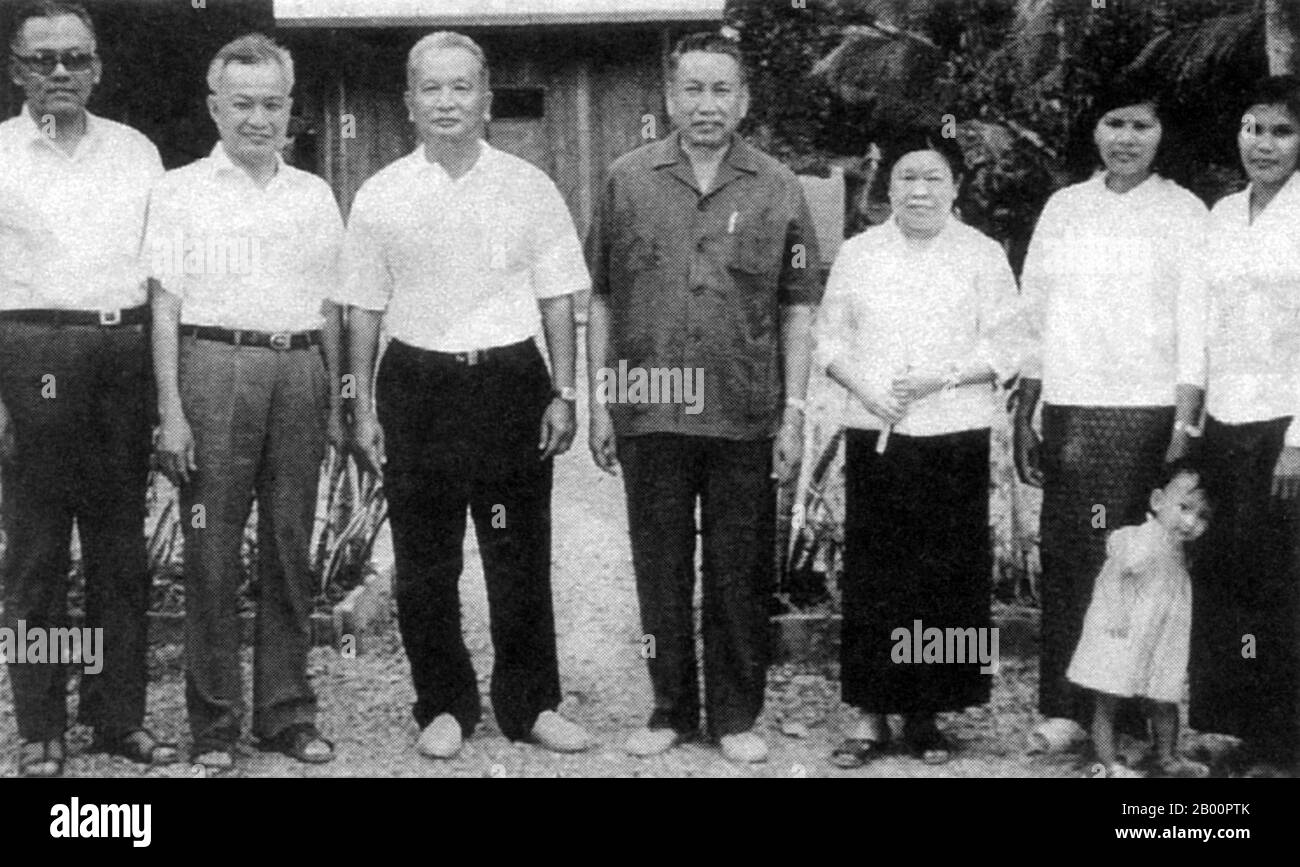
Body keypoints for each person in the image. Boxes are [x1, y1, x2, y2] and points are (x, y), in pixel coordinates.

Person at [341, 31, 591, 760]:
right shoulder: (382, 192)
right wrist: (361, 405)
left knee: (519, 551)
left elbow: (556, 297)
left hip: (512, 382)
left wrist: (564, 390)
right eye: (431, 88)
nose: (446, 101)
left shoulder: (528, 184)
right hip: (418, 385)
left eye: (461, 87)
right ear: (409, 103)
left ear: (486, 99)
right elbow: (363, 308)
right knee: (426, 559)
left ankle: (531, 702)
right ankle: (443, 703)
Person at [587, 32, 822, 764]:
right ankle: (668, 709)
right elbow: (599, 295)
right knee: (658, 567)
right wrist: (600, 400)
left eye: (722, 90)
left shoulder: (779, 186)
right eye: (693, 89)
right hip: (648, 402)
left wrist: (795, 412)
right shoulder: (627, 178)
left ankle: (735, 713)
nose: (707, 104)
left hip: (741, 409)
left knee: (738, 569)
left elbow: (798, 306)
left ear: (744, 99)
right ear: (670, 97)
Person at [148, 33, 344, 773]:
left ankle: (286, 713)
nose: (257, 119)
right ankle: (214, 723)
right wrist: (171, 407)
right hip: (212, 365)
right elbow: (163, 306)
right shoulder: (180, 190)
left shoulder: (313, 194)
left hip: (297, 370)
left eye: (271, 104)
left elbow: (331, 306)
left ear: (290, 109)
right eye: (242, 104)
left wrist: (336, 400)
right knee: (211, 550)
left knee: (292, 545)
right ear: (214, 108)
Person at [0, 0, 173, 777]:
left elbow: (165, 272)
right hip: (30, 351)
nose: (61, 72)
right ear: (17, 70)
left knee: (117, 552)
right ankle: (40, 724)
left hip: (120, 355)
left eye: (75, 58)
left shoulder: (136, 152)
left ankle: (115, 718)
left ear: (98, 68)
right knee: (35, 553)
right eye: (44, 60)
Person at [1012, 79, 1209, 751]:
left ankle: (1132, 710)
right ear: (1095, 131)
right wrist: (1027, 408)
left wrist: (1185, 424)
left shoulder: (1184, 213)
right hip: (1072, 409)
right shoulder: (1065, 208)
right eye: (1114, 122)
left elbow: (1195, 323)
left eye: (1141, 126)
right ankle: (1067, 709)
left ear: (1161, 136)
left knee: (1143, 565)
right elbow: (1034, 313)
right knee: (1073, 558)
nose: (1126, 138)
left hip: (1149, 413)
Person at [816, 132, 1022, 768]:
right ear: (888, 188)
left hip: (953, 433)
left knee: (947, 576)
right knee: (877, 576)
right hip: (876, 432)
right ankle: (872, 716)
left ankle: (930, 715)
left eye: (934, 178)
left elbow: (1009, 347)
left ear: (955, 188)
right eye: (907, 177)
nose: (920, 190)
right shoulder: (859, 253)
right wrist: (868, 391)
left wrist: (945, 379)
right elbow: (828, 340)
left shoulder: (982, 255)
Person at [1180, 75, 1300, 777]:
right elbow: (1199, 315)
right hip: (1223, 419)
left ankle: (1285, 741)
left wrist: (1297, 440)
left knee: (1284, 581)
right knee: (1227, 572)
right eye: (1254, 127)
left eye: (1282, 131)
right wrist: (1187, 414)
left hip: (1285, 426)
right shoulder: (1223, 214)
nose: (1265, 143)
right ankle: (1234, 724)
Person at [1067, 461, 1211, 779]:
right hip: (1124, 631)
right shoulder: (1139, 539)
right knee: (1108, 698)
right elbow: (1114, 575)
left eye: (1202, 516)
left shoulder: (1180, 550)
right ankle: (1108, 765)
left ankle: (1168, 757)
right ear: (1158, 501)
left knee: (1165, 695)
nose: (1191, 522)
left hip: (1160, 636)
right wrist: (1116, 610)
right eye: (1184, 508)